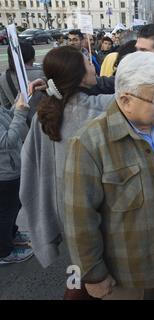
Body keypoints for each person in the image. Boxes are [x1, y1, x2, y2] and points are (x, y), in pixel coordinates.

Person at [63, 51, 154, 300]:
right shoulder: (89, 143)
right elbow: (79, 220)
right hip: (125, 277)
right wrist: (94, 275)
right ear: (125, 100)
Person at [19, 46, 114, 273]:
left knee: (82, 271)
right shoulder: (101, 108)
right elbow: (138, 94)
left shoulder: (46, 112)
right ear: (79, 75)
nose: (94, 66)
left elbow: (30, 165)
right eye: (89, 64)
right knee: (98, 276)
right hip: (101, 214)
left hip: (64, 213)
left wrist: (53, 85)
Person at [0, 93, 33, 265]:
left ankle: (11, 235)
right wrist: (20, 113)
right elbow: (6, 141)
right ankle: (4, 252)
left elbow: (6, 117)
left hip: (9, 169)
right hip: (5, 174)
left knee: (12, 207)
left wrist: (17, 105)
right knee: (6, 212)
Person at [0, 42, 44, 110]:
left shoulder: (3, 78)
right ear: (33, 58)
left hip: (19, 118)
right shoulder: (41, 74)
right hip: (42, 118)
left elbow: (6, 106)